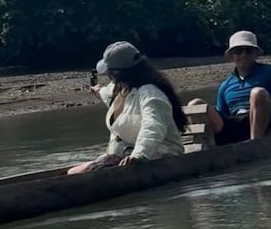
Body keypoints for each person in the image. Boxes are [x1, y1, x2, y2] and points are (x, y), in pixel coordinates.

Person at [68, 41, 187, 174]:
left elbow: (153, 126)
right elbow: (105, 94)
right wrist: (97, 90)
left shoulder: (150, 94)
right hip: (126, 155)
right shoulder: (120, 90)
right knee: (72, 172)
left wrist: (138, 155)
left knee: (77, 173)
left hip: (158, 156)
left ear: (115, 74)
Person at [210, 31, 271, 142]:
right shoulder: (225, 85)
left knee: (257, 93)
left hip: (265, 123)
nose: (243, 55)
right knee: (197, 104)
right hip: (236, 125)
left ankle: (255, 143)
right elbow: (220, 114)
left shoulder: (270, 72)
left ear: (255, 53)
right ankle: (208, 149)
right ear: (232, 56)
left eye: (248, 51)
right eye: (238, 51)